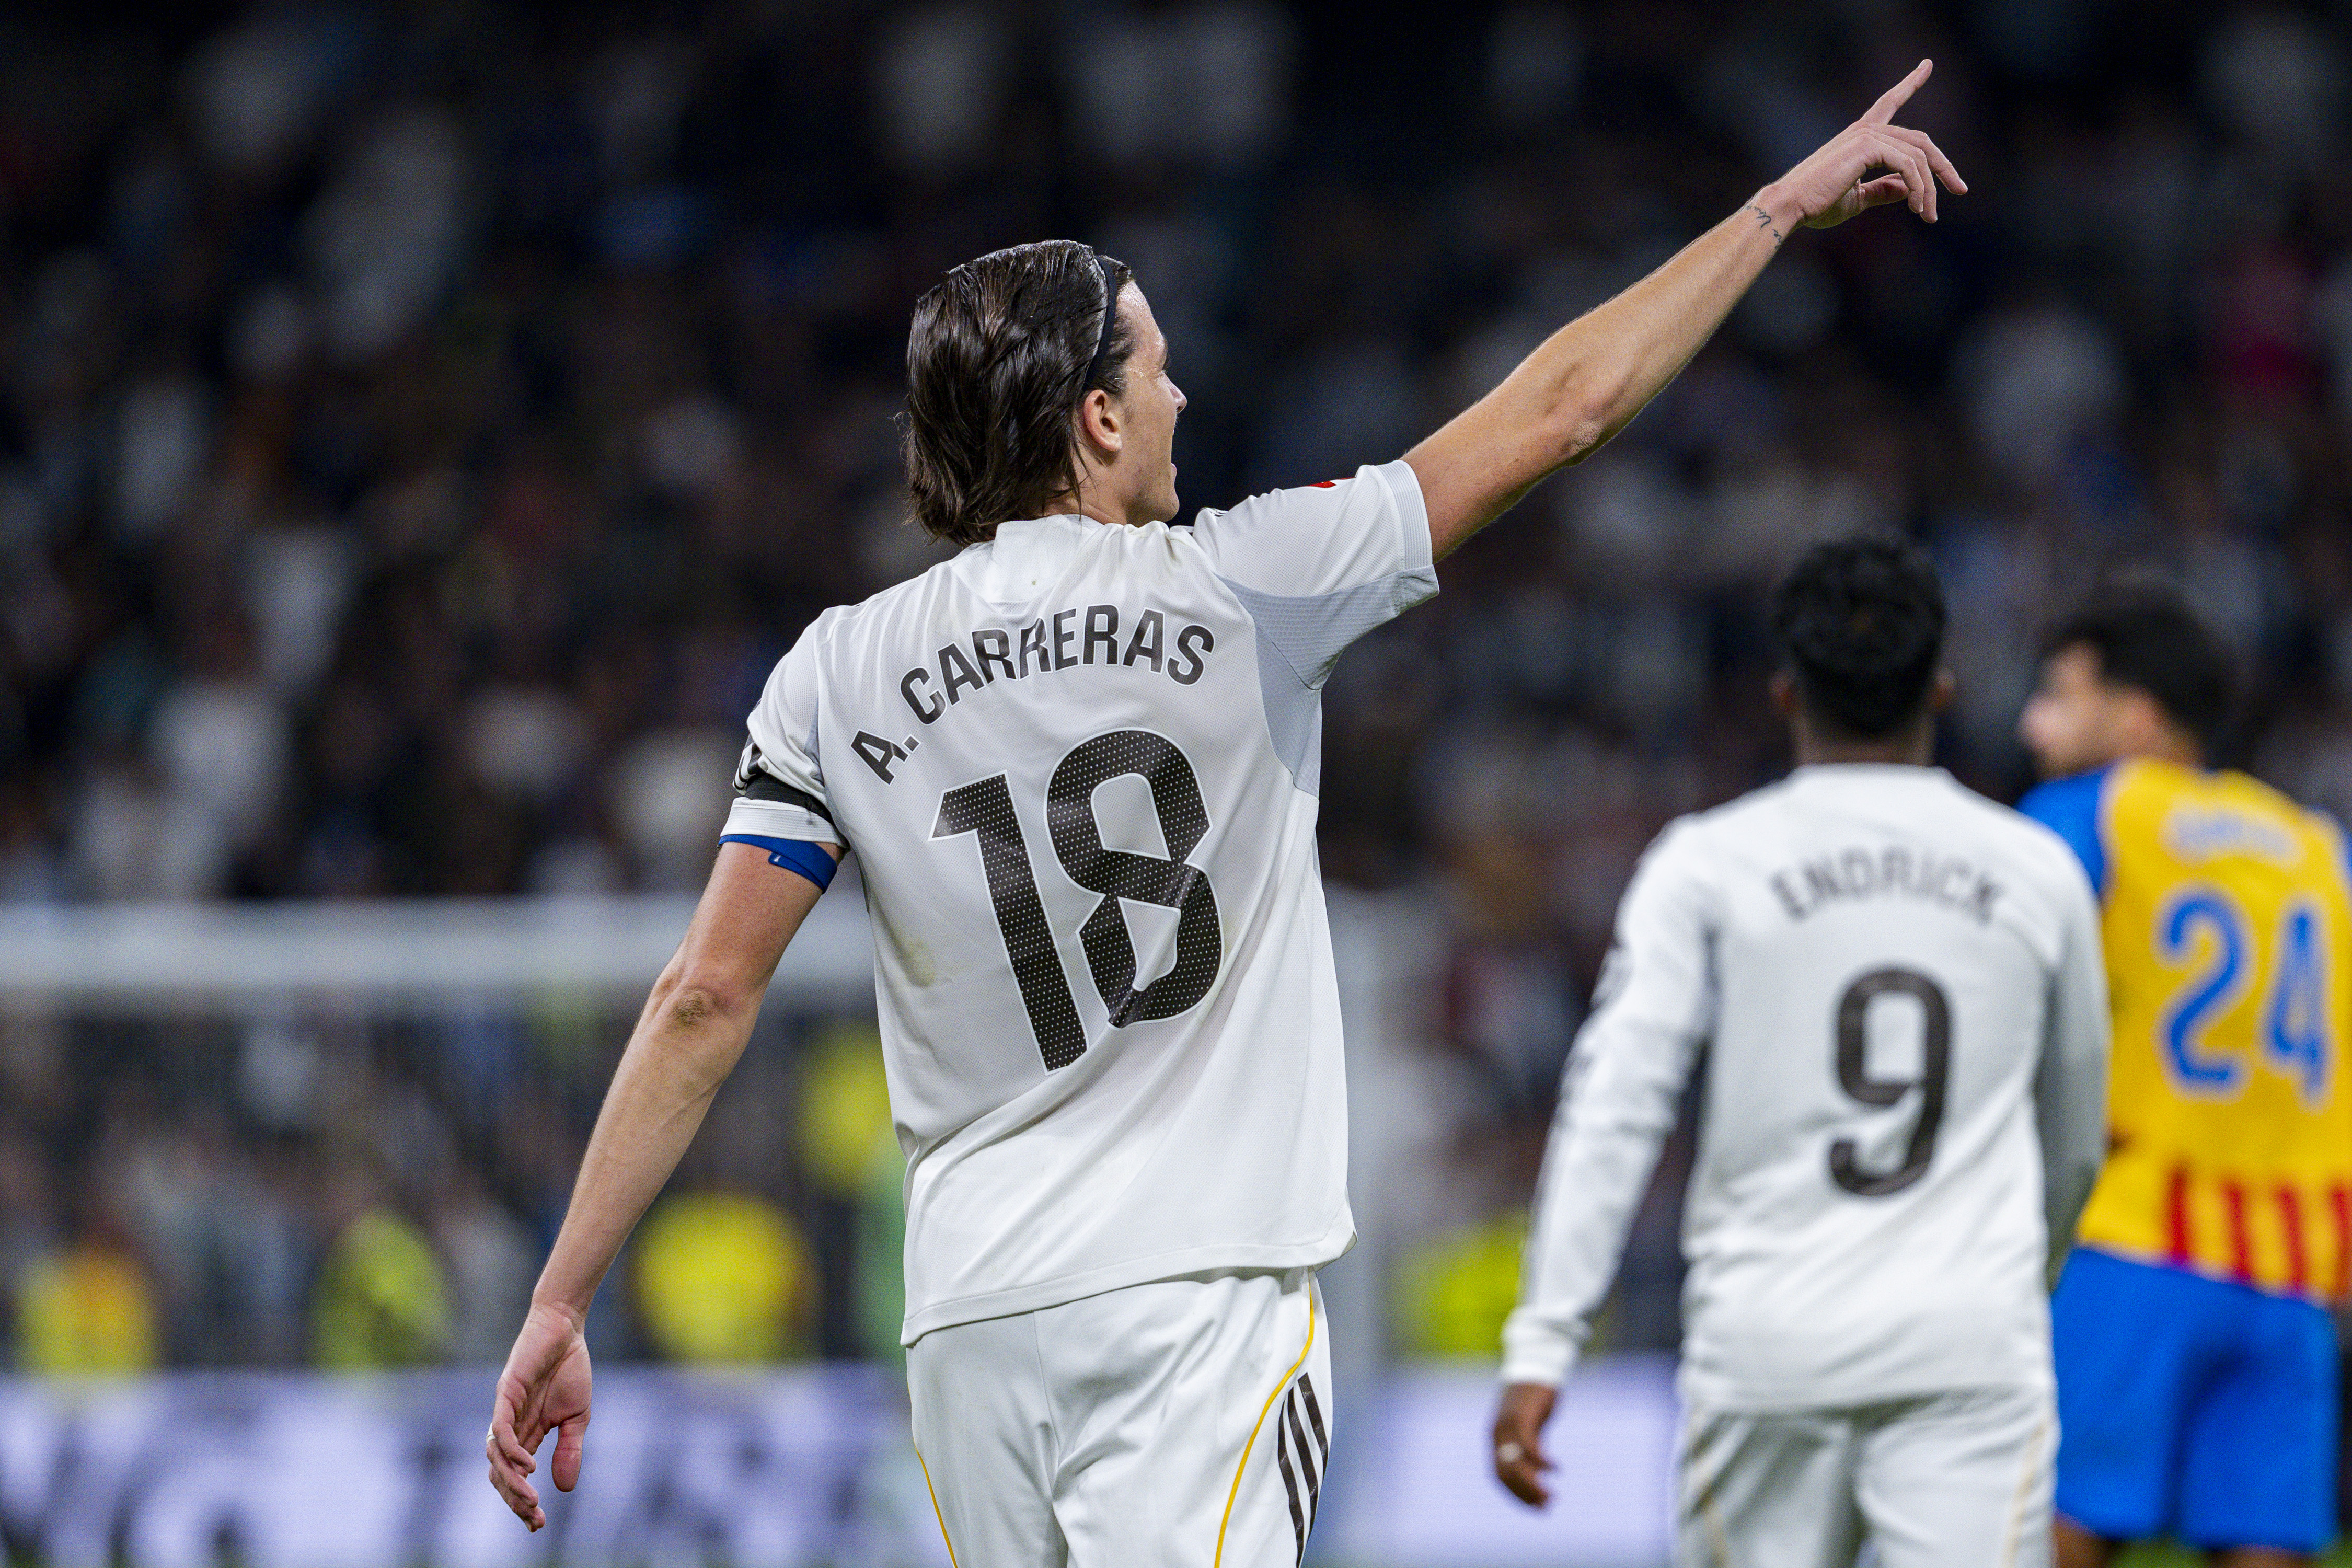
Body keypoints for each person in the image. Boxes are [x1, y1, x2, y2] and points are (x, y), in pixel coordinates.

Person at [486, 63, 1967, 1566]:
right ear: (1097, 419)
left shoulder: (833, 671)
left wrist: (560, 1299)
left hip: (971, 1322)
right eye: (1157, 370)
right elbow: (1564, 408)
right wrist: (1772, 213)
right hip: (1195, 1300)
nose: (1181, 397)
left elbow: (703, 998)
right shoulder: (1251, 584)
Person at [1494, 537, 2109, 1568]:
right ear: (1942, 687)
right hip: (1966, 1345)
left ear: (1785, 694)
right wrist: (2015, 1279)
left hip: (1768, 1344)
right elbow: (2078, 1134)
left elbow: (1617, 1103)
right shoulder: (2037, 871)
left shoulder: (1708, 865)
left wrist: (1545, 1339)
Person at [2017, 587, 2352, 1568]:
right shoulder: (2320, 850)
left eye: (2061, 696)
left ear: (2136, 719)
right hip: (2290, 1264)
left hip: (2135, 1236)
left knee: (2050, 1530)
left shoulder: (2094, 814)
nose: (2035, 724)